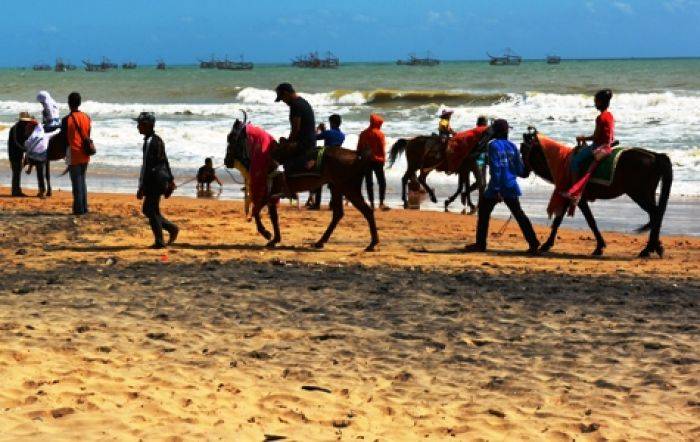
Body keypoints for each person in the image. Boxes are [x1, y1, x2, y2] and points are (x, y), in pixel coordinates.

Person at [465, 119, 540, 254]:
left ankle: (480, 245)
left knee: (483, 213)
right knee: (519, 214)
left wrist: (497, 190)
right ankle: (533, 243)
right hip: (511, 185)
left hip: (497, 186)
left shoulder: (492, 145)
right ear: (506, 132)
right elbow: (520, 170)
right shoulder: (512, 146)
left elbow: (496, 168)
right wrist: (529, 168)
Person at [135, 112, 179, 249]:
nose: (138, 127)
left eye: (140, 124)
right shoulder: (158, 140)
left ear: (148, 125)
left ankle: (161, 240)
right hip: (161, 179)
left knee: (149, 209)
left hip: (154, 180)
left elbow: (147, 166)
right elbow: (165, 160)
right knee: (152, 210)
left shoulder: (149, 143)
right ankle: (171, 229)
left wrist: (142, 186)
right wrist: (170, 179)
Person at [566, 89, 615, 203]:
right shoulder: (610, 115)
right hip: (608, 145)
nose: (595, 103)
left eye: (596, 101)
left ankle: (574, 193)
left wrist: (582, 138)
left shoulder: (600, 117)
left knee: (575, 161)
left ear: (601, 102)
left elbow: (596, 137)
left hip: (599, 146)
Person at [274, 83, 317, 171]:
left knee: (276, 156)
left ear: (286, 93)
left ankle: (283, 182)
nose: (284, 101)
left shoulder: (295, 105)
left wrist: (287, 143)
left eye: (282, 99)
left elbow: (295, 130)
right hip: (310, 141)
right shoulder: (302, 101)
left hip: (304, 144)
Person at [61, 92, 91, 215]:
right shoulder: (87, 117)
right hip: (85, 152)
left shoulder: (66, 119)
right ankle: (84, 208)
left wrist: (63, 154)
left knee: (76, 183)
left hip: (73, 153)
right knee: (82, 181)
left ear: (69, 103)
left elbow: (64, 139)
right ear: (79, 103)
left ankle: (78, 210)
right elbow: (88, 135)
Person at [307, 114, 345, 209]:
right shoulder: (342, 135)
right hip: (338, 159)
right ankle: (333, 204)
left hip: (326, 158)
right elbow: (331, 138)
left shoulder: (328, 133)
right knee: (334, 183)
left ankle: (317, 204)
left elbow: (315, 137)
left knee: (318, 179)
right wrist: (324, 131)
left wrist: (318, 130)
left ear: (332, 122)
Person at [357, 113, 389, 210]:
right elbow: (382, 148)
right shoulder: (380, 134)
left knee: (369, 182)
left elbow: (359, 149)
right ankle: (381, 202)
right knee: (382, 182)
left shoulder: (363, 134)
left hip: (366, 160)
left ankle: (371, 204)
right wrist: (383, 159)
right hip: (378, 160)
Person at [6, 112, 32, 197]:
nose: (27, 123)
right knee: (17, 171)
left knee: (17, 171)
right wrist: (26, 150)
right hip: (14, 153)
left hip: (16, 152)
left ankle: (16, 190)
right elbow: (18, 142)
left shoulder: (18, 127)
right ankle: (15, 191)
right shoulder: (16, 128)